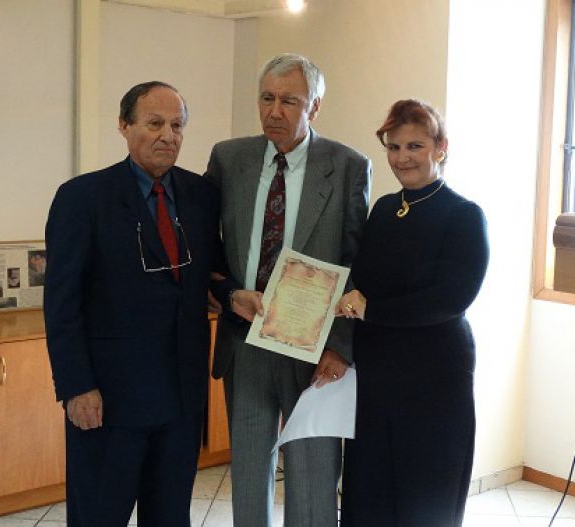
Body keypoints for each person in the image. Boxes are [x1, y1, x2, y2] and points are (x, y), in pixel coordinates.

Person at [44, 81, 221, 526]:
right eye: (155, 123)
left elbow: (212, 274)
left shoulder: (200, 195)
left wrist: (237, 295)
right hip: (109, 402)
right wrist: (76, 386)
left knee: (170, 517)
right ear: (124, 126)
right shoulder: (83, 198)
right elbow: (62, 303)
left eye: (177, 126)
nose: (168, 136)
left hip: (181, 398)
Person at [205, 53, 371, 526]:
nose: (274, 111)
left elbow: (357, 263)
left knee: (314, 477)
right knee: (248, 473)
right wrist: (229, 294)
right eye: (266, 98)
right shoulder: (229, 159)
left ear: (314, 107)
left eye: (289, 101)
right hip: (246, 340)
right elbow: (209, 248)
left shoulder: (347, 166)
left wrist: (341, 347)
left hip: (315, 350)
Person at [337, 99, 489, 527]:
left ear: (440, 147)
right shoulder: (384, 209)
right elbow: (362, 279)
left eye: (415, 146)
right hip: (377, 375)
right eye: (394, 147)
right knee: (370, 492)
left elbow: (451, 299)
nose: (402, 158)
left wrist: (371, 310)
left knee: (425, 496)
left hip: (434, 378)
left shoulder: (464, 215)